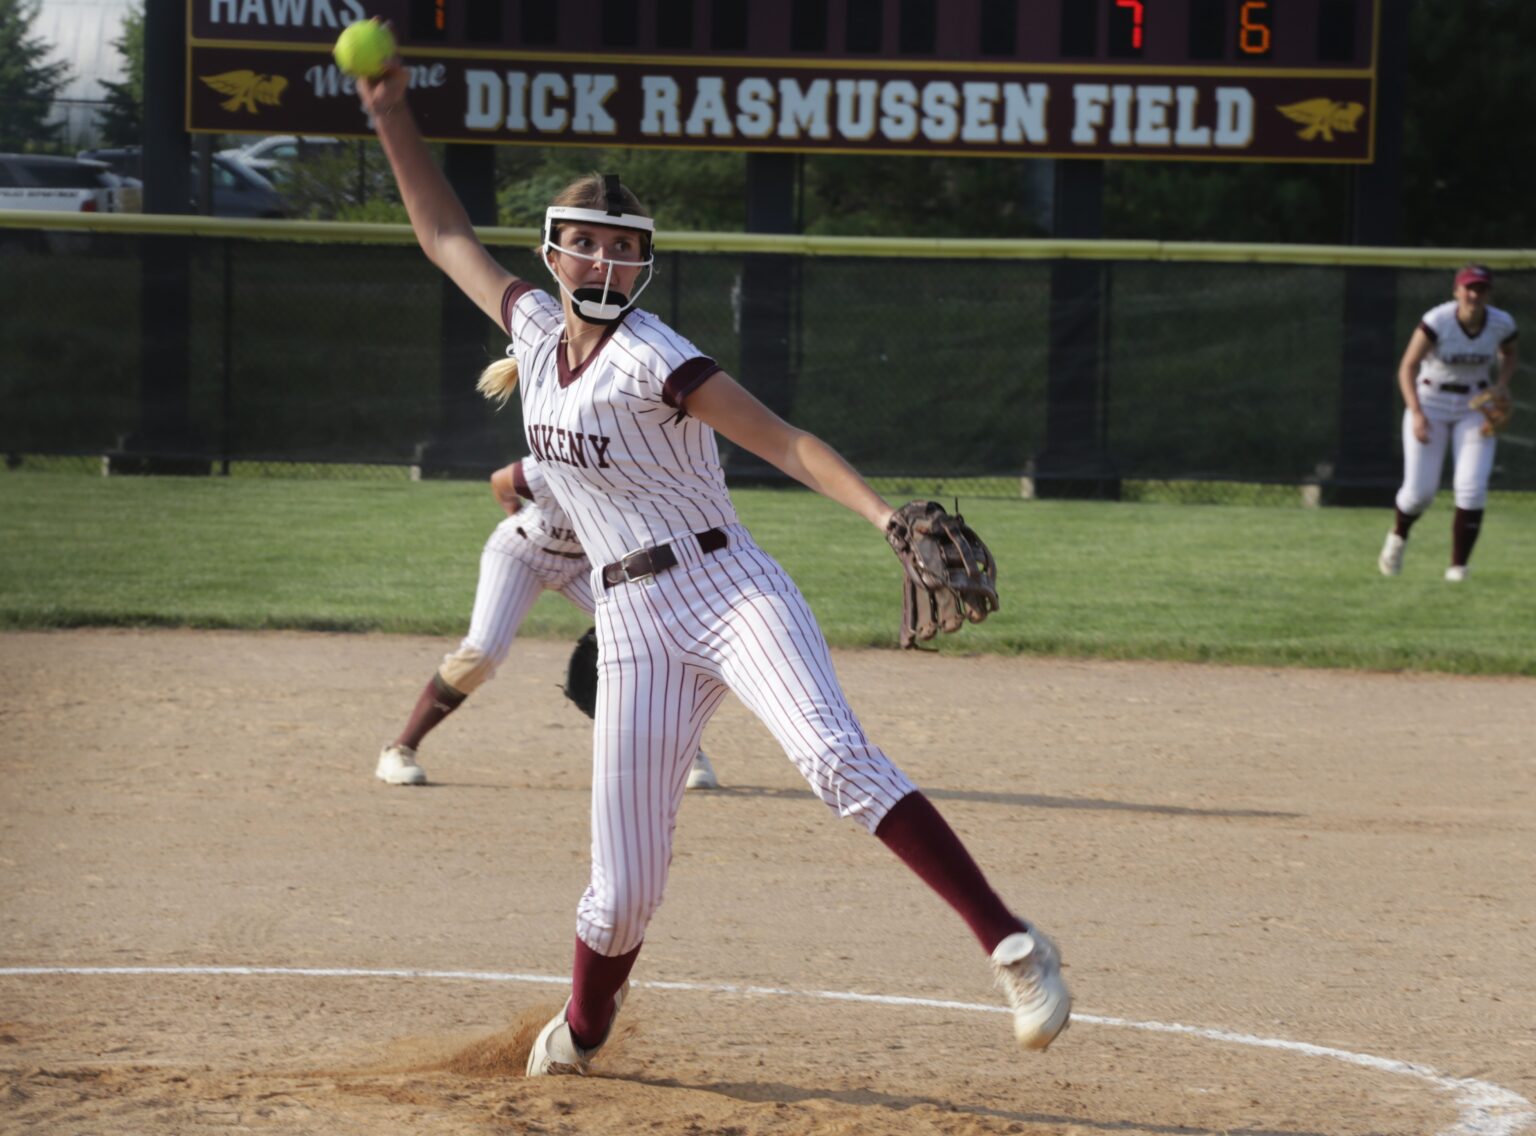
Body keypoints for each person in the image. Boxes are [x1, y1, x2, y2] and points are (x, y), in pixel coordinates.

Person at [356, 62, 1070, 1077]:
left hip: (731, 589)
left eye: (623, 244)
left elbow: (784, 441)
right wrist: (390, 115)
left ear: (644, 259)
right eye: (588, 241)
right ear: (556, 253)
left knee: (835, 757)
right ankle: (586, 1029)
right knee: (621, 892)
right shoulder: (527, 327)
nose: (605, 256)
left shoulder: (657, 357)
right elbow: (442, 234)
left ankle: (1013, 943)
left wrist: (880, 515)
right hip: (632, 624)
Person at [377, 449, 721, 791]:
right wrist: (514, 515)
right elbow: (501, 482)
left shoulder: (638, 473)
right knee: (481, 654)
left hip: (587, 565)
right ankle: (400, 750)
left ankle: (686, 751)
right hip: (521, 553)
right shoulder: (549, 466)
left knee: (655, 639)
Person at [1378, 264, 1519, 582]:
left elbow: (1509, 354)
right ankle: (1398, 536)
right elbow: (1407, 367)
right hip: (1431, 403)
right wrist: (1415, 412)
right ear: (1456, 291)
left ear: (1488, 293)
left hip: (1474, 407)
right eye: (1468, 288)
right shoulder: (1438, 320)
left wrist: (1503, 384)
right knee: (1419, 493)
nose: (1474, 294)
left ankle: (1458, 568)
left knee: (1471, 487)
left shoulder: (1501, 322)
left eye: (1481, 288)